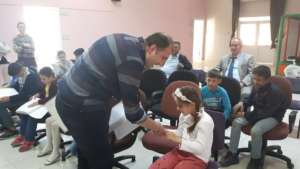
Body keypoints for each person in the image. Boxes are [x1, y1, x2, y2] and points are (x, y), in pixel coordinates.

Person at [55, 33, 172, 169]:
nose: (162, 64)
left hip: (71, 97)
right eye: (163, 58)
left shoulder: (129, 41)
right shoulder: (133, 60)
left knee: (87, 151)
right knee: (102, 160)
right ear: (152, 48)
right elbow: (133, 113)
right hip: (79, 105)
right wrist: (156, 127)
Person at [220, 65, 290, 169]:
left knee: (256, 131)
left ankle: (255, 160)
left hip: (272, 117)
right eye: (254, 79)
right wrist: (242, 103)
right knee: (236, 122)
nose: (255, 82)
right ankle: (232, 153)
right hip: (258, 113)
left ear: (267, 80)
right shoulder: (256, 86)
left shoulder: (275, 93)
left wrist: (245, 114)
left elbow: (265, 113)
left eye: (259, 80)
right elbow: (250, 101)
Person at [149, 86, 214, 169]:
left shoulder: (205, 121)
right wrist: (164, 131)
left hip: (198, 157)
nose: (177, 108)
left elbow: (199, 148)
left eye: (180, 106)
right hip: (181, 151)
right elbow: (179, 133)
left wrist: (178, 140)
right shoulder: (184, 115)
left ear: (192, 104)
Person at [10, 67, 56, 152]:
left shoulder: (56, 84)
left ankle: (29, 140)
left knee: (32, 117)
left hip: (52, 110)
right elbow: (43, 93)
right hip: (44, 108)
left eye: (44, 79)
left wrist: (38, 102)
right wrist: (37, 95)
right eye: (41, 79)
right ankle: (22, 135)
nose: (42, 81)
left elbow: (51, 98)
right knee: (25, 114)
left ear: (51, 77)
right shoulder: (47, 83)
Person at [0, 63, 41, 140]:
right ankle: (7, 126)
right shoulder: (21, 76)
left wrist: (9, 98)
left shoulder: (32, 77)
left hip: (28, 100)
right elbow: (17, 87)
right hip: (20, 98)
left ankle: (11, 129)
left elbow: (27, 94)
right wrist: (7, 88)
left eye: (17, 74)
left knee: (1, 105)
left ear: (22, 69)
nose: (17, 76)